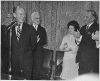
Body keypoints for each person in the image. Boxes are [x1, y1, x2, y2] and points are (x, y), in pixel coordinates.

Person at [7, 6, 37, 79]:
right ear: (14, 15)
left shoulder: (30, 29)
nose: (23, 16)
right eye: (20, 14)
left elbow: (33, 45)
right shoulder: (9, 29)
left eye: (24, 14)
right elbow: (7, 46)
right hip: (13, 64)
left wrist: (25, 53)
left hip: (26, 64)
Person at [74, 10, 99, 75]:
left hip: (91, 60)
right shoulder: (82, 28)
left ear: (93, 18)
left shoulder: (97, 27)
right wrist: (77, 39)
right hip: (82, 59)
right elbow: (80, 42)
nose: (84, 19)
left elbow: (93, 41)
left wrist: (80, 37)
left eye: (87, 17)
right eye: (84, 17)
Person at [31, 12, 47, 80]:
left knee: (36, 74)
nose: (38, 20)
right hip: (29, 55)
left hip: (38, 54)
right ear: (32, 19)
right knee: (28, 73)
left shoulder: (42, 29)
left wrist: (37, 40)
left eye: (39, 18)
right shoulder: (27, 28)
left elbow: (44, 41)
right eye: (36, 18)